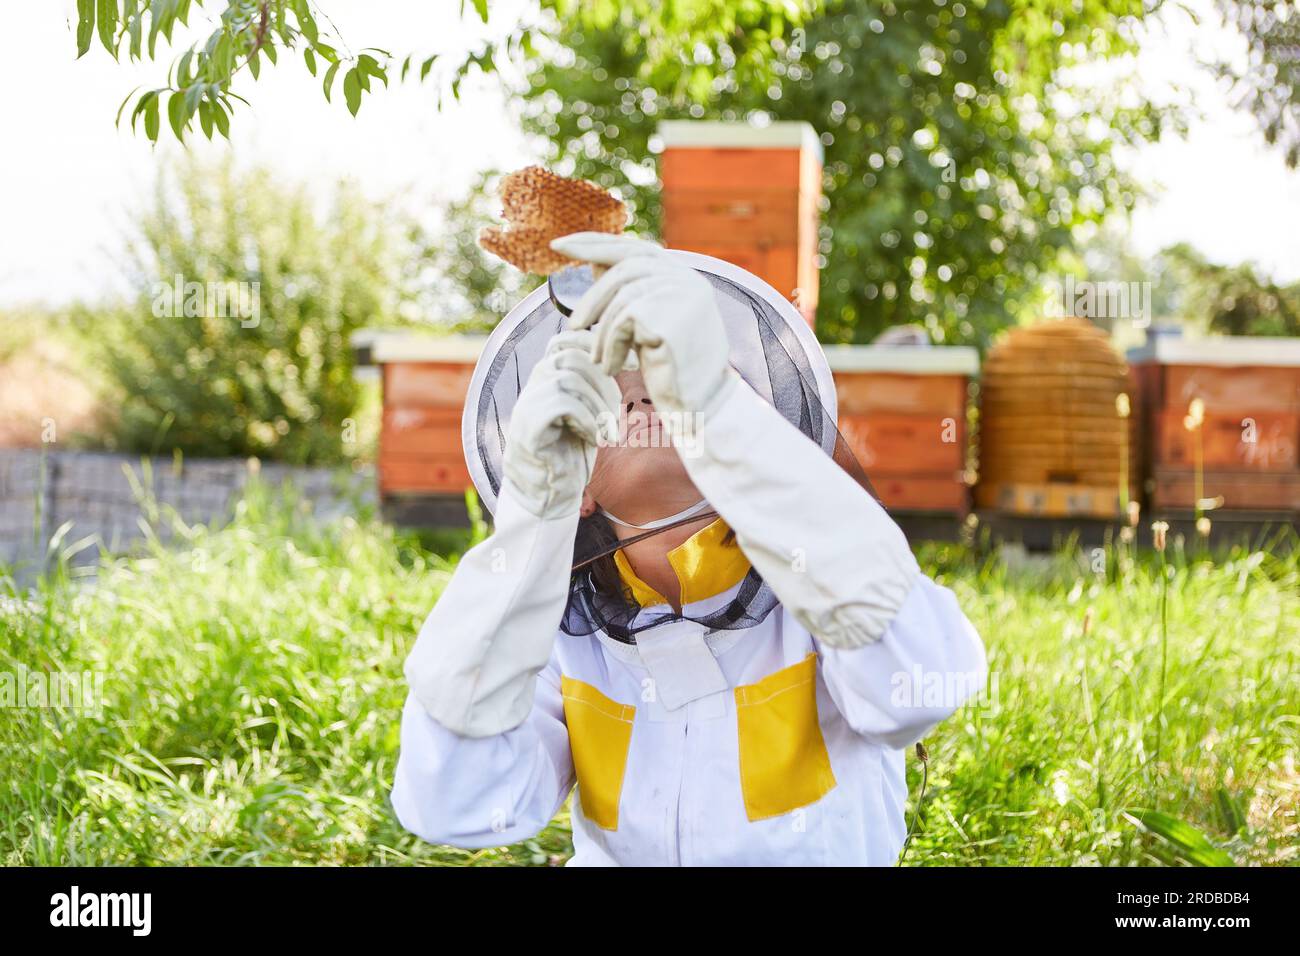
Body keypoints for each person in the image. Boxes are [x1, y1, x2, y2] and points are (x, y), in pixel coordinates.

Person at [391, 233, 986, 865]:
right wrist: (533, 518)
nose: (644, 390)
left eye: (677, 378)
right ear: (580, 483)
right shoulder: (552, 644)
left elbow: (917, 688)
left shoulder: (820, 593)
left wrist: (725, 418)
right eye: (612, 388)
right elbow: (457, 800)